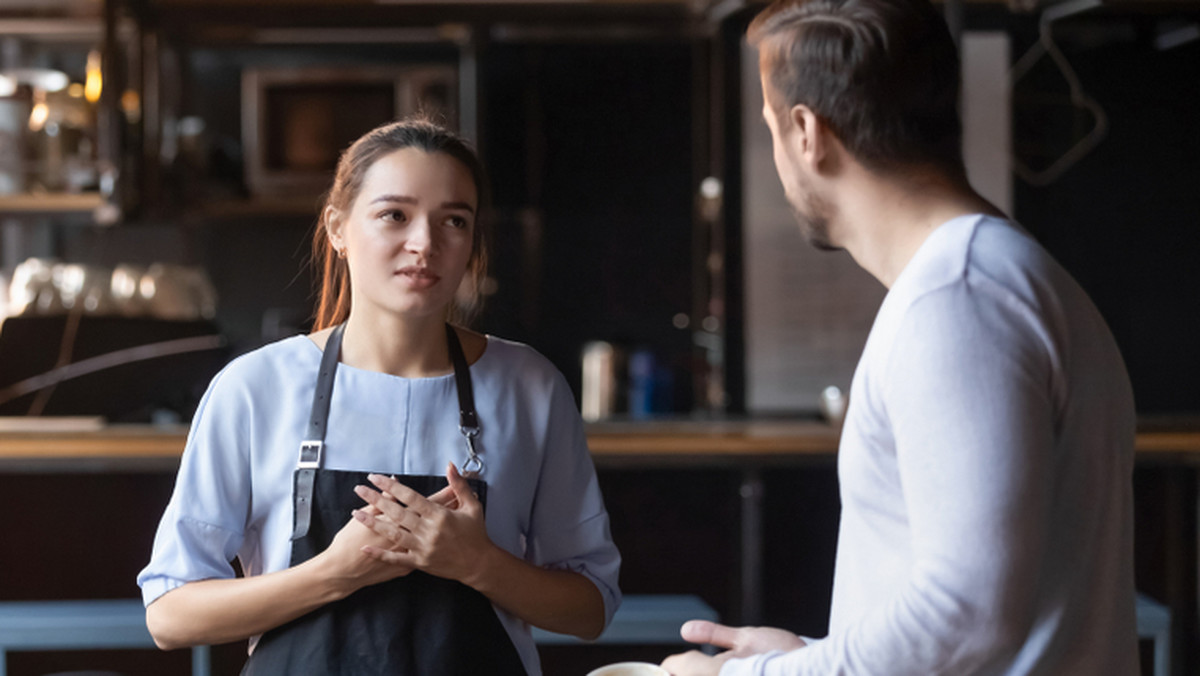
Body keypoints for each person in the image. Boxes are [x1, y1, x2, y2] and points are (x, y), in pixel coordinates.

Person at [663, 0, 1137, 674]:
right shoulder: (993, 276)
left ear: (806, 132)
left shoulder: (958, 300)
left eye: (772, 126)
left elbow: (966, 618)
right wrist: (815, 658)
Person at [138, 118, 621, 676]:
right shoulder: (255, 388)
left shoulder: (529, 386)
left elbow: (590, 608)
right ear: (338, 227)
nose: (425, 243)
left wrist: (478, 563)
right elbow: (170, 616)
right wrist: (334, 572)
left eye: (454, 221)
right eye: (395, 214)